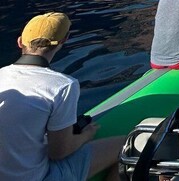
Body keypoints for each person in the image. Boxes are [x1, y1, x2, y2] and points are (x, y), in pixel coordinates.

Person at [0, 12, 124, 181]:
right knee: (127, 146)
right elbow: (58, 153)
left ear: (20, 41)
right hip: (41, 177)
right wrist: (85, 136)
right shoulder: (63, 86)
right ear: (63, 41)